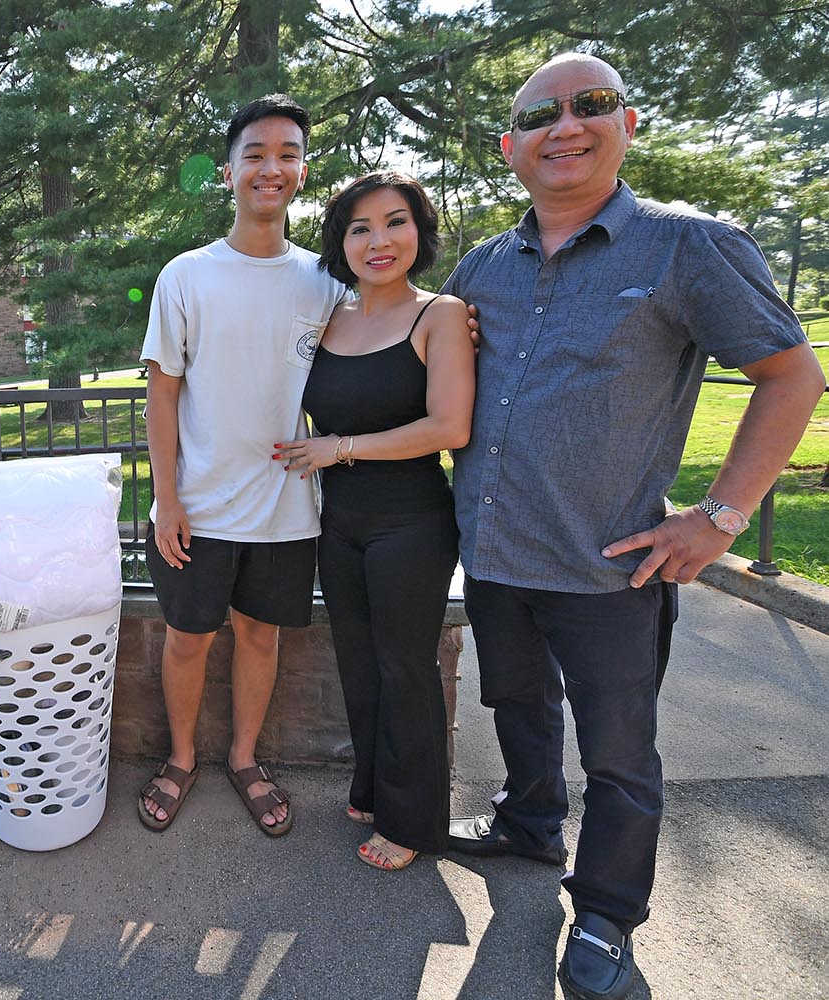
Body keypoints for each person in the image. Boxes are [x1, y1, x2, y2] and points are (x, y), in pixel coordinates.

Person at [442, 53, 825, 1000]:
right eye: (541, 116)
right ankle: (529, 823)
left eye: (592, 106)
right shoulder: (483, 264)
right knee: (517, 706)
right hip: (494, 556)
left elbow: (792, 376)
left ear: (629, 125)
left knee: (619, 753)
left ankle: (608, 914)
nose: (565, 126)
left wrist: (721, 517)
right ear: (510, 148)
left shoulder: (688, 246)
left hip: (612, 567)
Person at [138, 94, 346, 836]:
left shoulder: (329, 282)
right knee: (188, 638)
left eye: (287, 153)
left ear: (303, 170)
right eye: (256, 153)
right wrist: (168, 498)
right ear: (228, 173)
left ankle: (245, 758)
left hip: (288, 508)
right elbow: (162, 396)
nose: (272, 167)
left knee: (262, 636)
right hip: (197, 505)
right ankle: (183, 757)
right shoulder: (187, 275)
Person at [275, 171, 475, 870]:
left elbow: (449, 426)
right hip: (342, 519)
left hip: (411, 522)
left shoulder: (440, 314)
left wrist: (341, 448)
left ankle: (413, 820)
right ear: (341, 244)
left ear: (418, 232)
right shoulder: (329, 318)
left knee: (405, 667)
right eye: (359, 228)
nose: (378, 240)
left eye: (395, 222)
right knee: (357, 662)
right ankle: (371, 785)